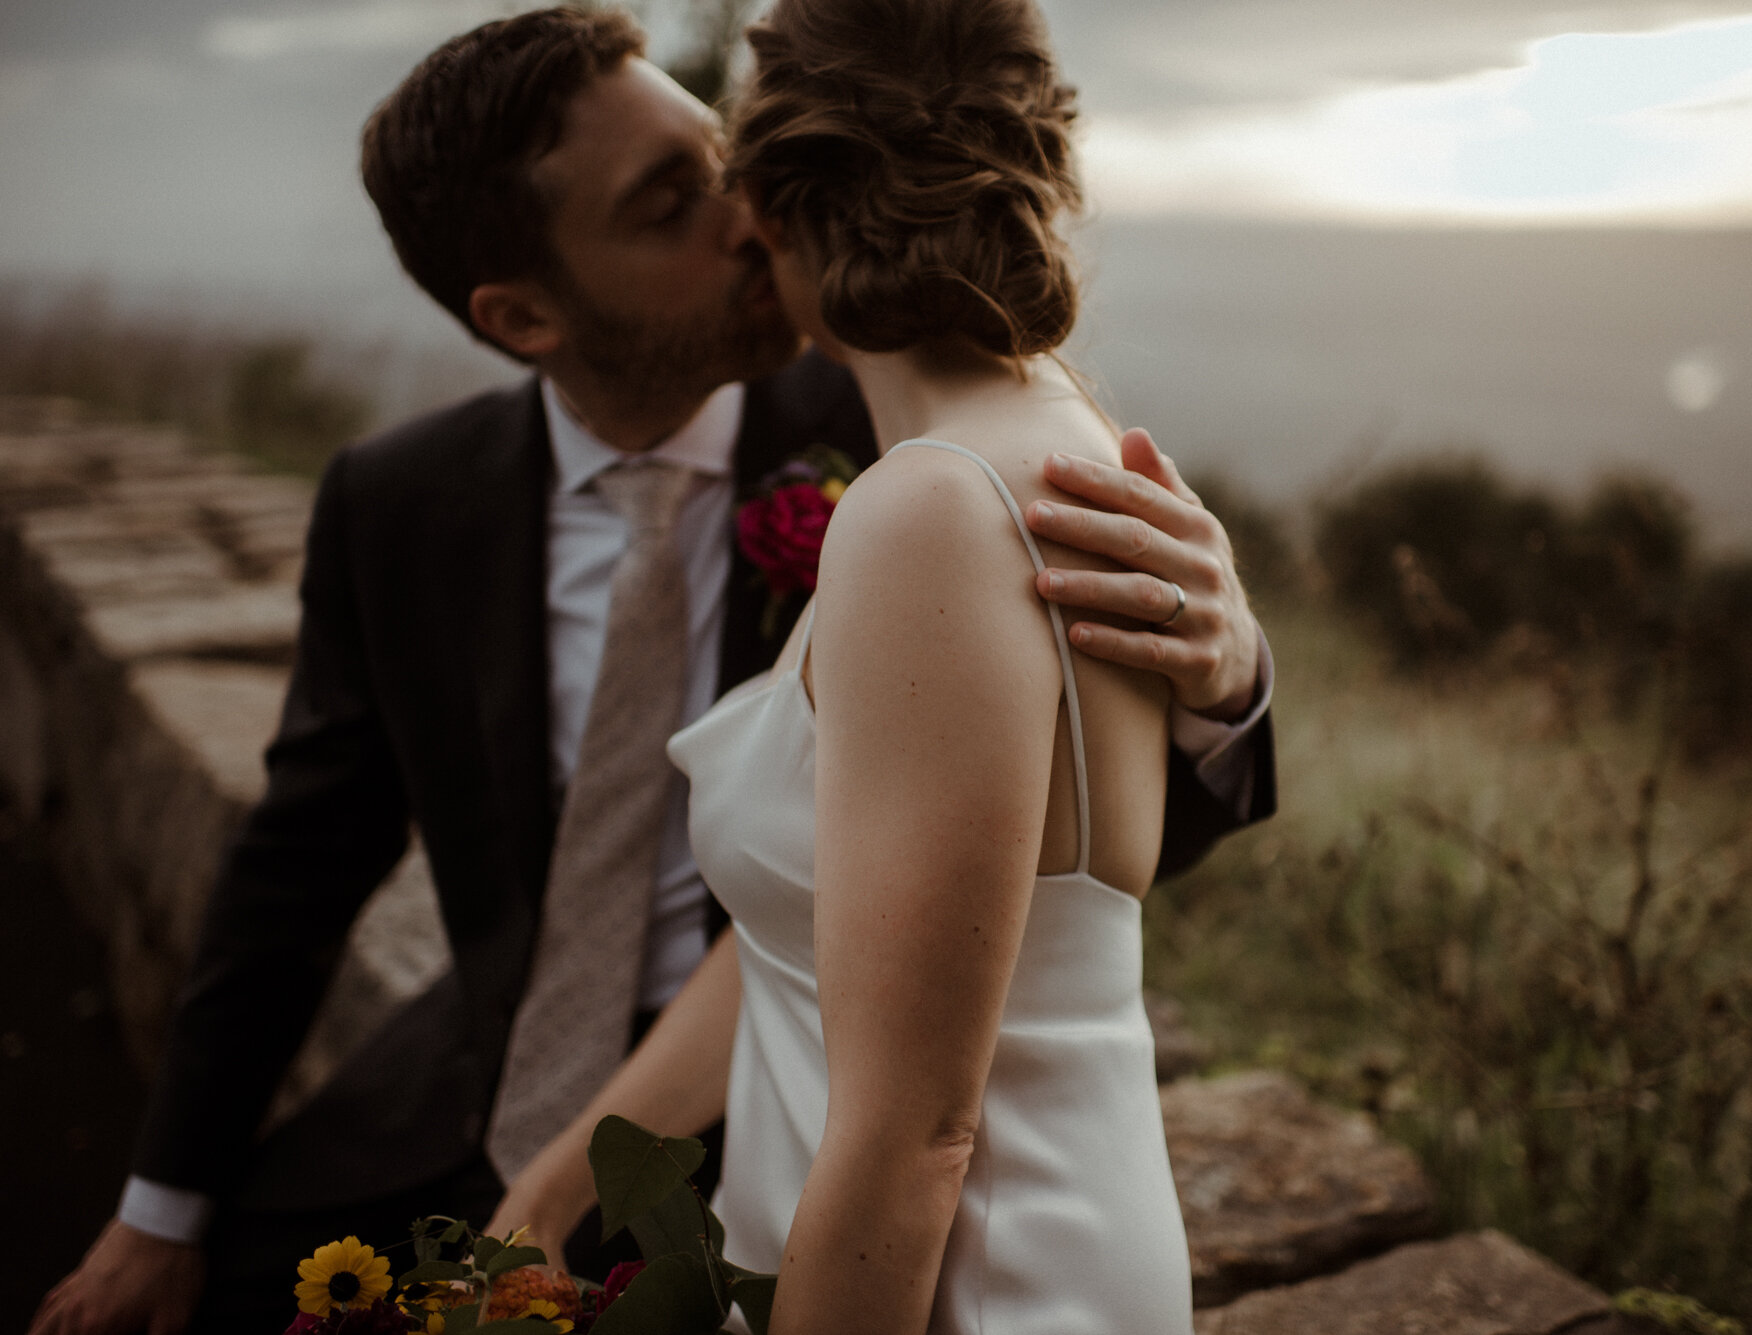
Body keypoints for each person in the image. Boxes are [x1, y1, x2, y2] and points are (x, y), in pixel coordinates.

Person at [29, 8, 1273, 1335]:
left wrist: (1226, 683)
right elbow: (299, 861)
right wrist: (160, 1213)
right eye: (671, 203)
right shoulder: (399, 503)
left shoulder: (907, 434)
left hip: (809, 1159)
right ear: (523, 313)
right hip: (502, 1087)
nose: (746, 218)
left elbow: (1037, 873)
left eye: (727, 157)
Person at [488, 1, 1239, 1330]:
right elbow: (836, 922)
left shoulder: (930, 511)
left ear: (774, 204)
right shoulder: (1046, 426)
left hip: (980, 1285)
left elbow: (917, 1139)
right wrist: (558, 1181)